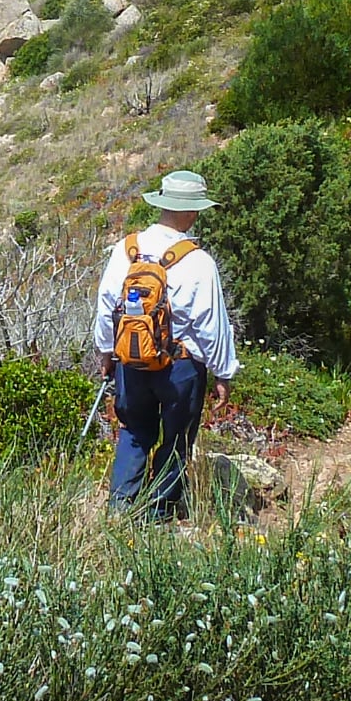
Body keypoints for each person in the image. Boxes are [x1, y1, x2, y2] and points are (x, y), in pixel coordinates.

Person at [92, 169, 239, 518]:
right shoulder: (198, 261)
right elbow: (212, 325)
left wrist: (106, 353)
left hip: (132, 360)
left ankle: (120, 508)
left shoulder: (126, 250)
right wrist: (224, 373)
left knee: (134, 431)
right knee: (176, 441)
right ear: (190, 211)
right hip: (180, 367)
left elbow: (105, 306)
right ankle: (158, 514)